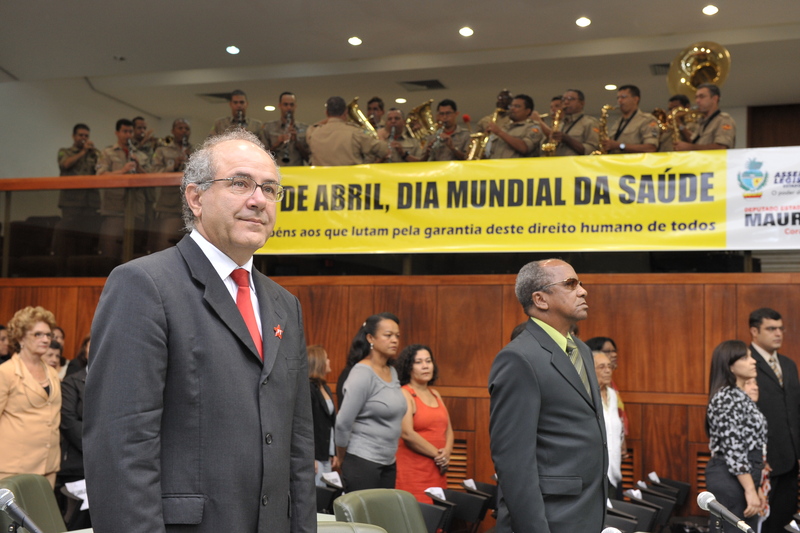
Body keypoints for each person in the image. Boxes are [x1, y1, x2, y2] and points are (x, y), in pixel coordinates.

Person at [83, 129, 316, 533]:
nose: (258, 199)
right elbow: (120, 448)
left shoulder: (285, 305)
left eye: (269, 189)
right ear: (196, 198)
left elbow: (297, 445)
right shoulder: (143, 285)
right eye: (240, 183)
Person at [488, 259, 607, 533]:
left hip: (587, 511)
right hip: (550, 518)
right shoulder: (518, 358)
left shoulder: (582, 350)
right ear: (540, 299)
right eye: (570, 284)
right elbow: (514, 463)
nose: (583, 291)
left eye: (580, 283)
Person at [335, 313, 406, 492]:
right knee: (364, 511)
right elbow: (343, 422)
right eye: (388, 335)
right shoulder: (362, 373)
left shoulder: (392, 371)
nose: (394, 340)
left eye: (397, 336)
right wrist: (342, 458)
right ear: (370, 338)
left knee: (384, 511)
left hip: (388, 462)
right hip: (362, 461)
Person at [705, 340, 767, 533]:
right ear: (730, 366)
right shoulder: (725, 397)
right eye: (746, 357)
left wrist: (756, 486)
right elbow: (734, 449)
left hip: (744, 475)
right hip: (730, 475)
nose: (753, 361)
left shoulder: (739, 395)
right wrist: (750, 489)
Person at [748, 308, 800, 533]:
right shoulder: (746, 363)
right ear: (754, 331)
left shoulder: (788, 365)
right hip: (763, 463)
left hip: (791, 461)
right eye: (771, 329)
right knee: (763, 526)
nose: (778, 333)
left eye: (780, 329)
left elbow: (794, 411)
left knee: (786, 523)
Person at [0, 306, 61, 487]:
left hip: (48, 466)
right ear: (21, 338)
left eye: (48, 335)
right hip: (13, 468)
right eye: (38, 334)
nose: (46, 339)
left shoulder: (52, 373)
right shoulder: (6, 372)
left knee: (42, 507)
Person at [395, 344, 454, 504]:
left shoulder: (435, 394)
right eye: (418, 362)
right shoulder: (404, 393)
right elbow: (407, 433)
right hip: (413, 473)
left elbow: (448, 430)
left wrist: (447, 452)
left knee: (437, 514)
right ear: (408, 367)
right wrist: (439, 456)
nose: (425, 366)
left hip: (437, 471)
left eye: (428, 361)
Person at [96, 118, 151, 259]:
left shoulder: (140, 155)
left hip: (136, 210)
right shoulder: (107, 152)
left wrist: (139, 167)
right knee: (111, 252)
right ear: (117, 133)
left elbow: (152, 180)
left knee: (134, 254)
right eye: (124, 131)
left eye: (130, 132)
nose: (128, 135)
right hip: (115, 210)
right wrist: (123, 171)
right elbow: (100, 176)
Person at [53, 123, 101, 257]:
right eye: (81, 135)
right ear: (73, 136)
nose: (84, 138)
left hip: (90, 203)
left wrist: (95, 154)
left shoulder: (93, 154)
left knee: (87, 238)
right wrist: (83, 152)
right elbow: (65, 164)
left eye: (86, 136)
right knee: (69, 235)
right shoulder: (65, 151)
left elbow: (101, 170)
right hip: (71, 203)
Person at [57, 349, 91, 529]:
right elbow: (68, 421)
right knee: (76, 520)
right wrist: (95, 445)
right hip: (77, 463)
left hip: (108, 462)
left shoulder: (117, 382)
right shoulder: (72, 381)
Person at [149, 118, 194, 252]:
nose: (184, 131)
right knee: (165, 242)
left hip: (190, 205)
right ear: (173, 131)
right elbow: (153, 173)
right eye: (180, 128)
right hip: (168, 204)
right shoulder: (162, 150)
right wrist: (173, 166)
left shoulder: (195, 150)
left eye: (187, 129)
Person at [307, 96, 387, 166]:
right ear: (346, 112)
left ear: (326, 113)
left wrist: (330, 119)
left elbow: (312, 127)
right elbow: (384, 150)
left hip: (322, 178)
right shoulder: (355, 132)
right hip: (350, 178)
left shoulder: (314, 133)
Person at [593, 350, 624, 498]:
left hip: (614, 471)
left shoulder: (613, 394)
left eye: (609, 366)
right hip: (595, 474)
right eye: (601, 367)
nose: (607, 370)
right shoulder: (587, 396)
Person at [308, 344, 338, 487]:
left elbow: (330, 423)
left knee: (327, 492)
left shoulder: (325, 387)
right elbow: (308, 425)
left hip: (326, 453)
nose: (329, 361)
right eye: (326, 359)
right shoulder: (309, 388)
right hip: (315, 455)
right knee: (318, 493)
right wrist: (310, 456)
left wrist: (334, 452)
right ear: (318, 362)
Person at [674, 83, 736, 151]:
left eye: (702, 97)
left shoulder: (724, 120)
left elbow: (721, 147)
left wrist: (690, 147)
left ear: (714, 98)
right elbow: (694, 141)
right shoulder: (702, 120)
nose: (697, 101)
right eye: (696, 97)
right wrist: (680, 125)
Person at [601, 85, 659, 154]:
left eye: (623, 97)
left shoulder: (647, 120)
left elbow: (651, 148)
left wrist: (619, 146)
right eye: (618, 98)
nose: (619, 100)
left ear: (635, 99)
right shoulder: (618, 122)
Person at [485, 94, 543, 158]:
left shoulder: (533, 128)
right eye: (511, 106)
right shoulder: (504, 127)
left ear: (527, 111)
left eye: (517, 106)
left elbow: (524, 148)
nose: (512, 108)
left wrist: (499, 132)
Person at [260, 92, 309, 166]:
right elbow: (262, 156)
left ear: (295, 106)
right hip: (276, 170)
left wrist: (297, 142)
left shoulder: (305, 128)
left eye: (291, 105)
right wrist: (277, 144)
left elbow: (309, 159)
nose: (289, 108)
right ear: (279, 106)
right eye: (285, 104)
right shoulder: (268, 127)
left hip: (297, 171)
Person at [552, 89, 600, 156]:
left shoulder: (590, 123)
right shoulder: (560, 124)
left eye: (570, 99)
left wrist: (567, 139)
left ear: (582, 103)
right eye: (563, 99)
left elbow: (592, 150)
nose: (566, 102)